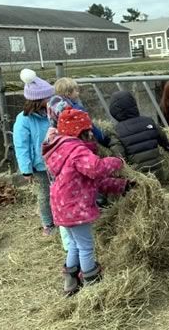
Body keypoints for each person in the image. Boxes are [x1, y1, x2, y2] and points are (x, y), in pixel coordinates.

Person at [42, 108, 130, 296]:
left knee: (74, 245)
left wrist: (121, 186)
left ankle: (70, 282)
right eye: (88, 130)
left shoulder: (60, 148)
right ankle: (92, 285)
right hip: (75, 207)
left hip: (61, 206)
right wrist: (117, 161)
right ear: (80, 131)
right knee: (86, 246)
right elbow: (96, 169)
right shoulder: (77, 150)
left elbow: (93, 182)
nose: (91, 133)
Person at [13, 68, 56, 236]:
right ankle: (48, 223)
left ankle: (61, 217)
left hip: (57, 161)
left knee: (59, 191)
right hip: (40, 165)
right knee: (44, 194)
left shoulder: (51, 113)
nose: (51, 99)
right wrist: (26, 169)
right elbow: (21, 145)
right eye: (48, 97)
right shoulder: (23, 120)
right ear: (38, 100)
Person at [108, 90, 169, 178]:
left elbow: (120, 157)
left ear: (113, 111)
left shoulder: (116, 131)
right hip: (159, 175)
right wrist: (168, 146)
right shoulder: (149, 121)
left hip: (140, 179)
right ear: (134, 105)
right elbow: (162, 137)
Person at [46, 77, 110, 147]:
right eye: (76, 91)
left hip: (63, 143)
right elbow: (90, 126)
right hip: (81, 142)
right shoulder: (76, 110)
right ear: (68, 93)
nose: (78, 93)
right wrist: (105, 139)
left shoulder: (51, 108)